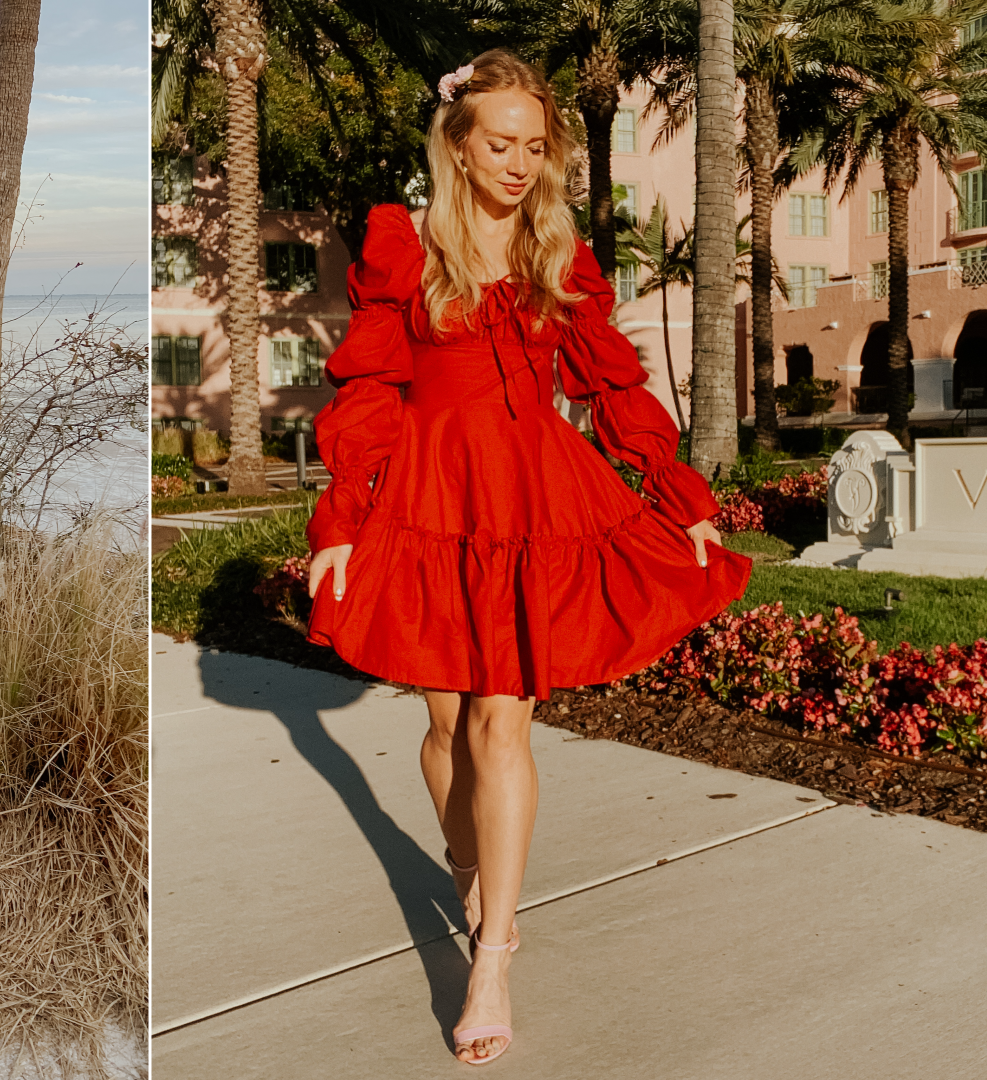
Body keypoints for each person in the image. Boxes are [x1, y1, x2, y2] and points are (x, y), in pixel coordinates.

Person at [303, 50, 751, 1066]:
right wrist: (341, 523)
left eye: (534, 146)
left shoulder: (556, 250)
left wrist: (678, 499)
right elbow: (371, 394)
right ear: (458, 144)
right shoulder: (405, 244)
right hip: (431, 494)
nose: (518, 162)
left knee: (503, 719)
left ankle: (493, 956)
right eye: (500, 143)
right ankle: (468, 863)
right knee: (445, 727)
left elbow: (612, 386)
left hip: (536, 491)